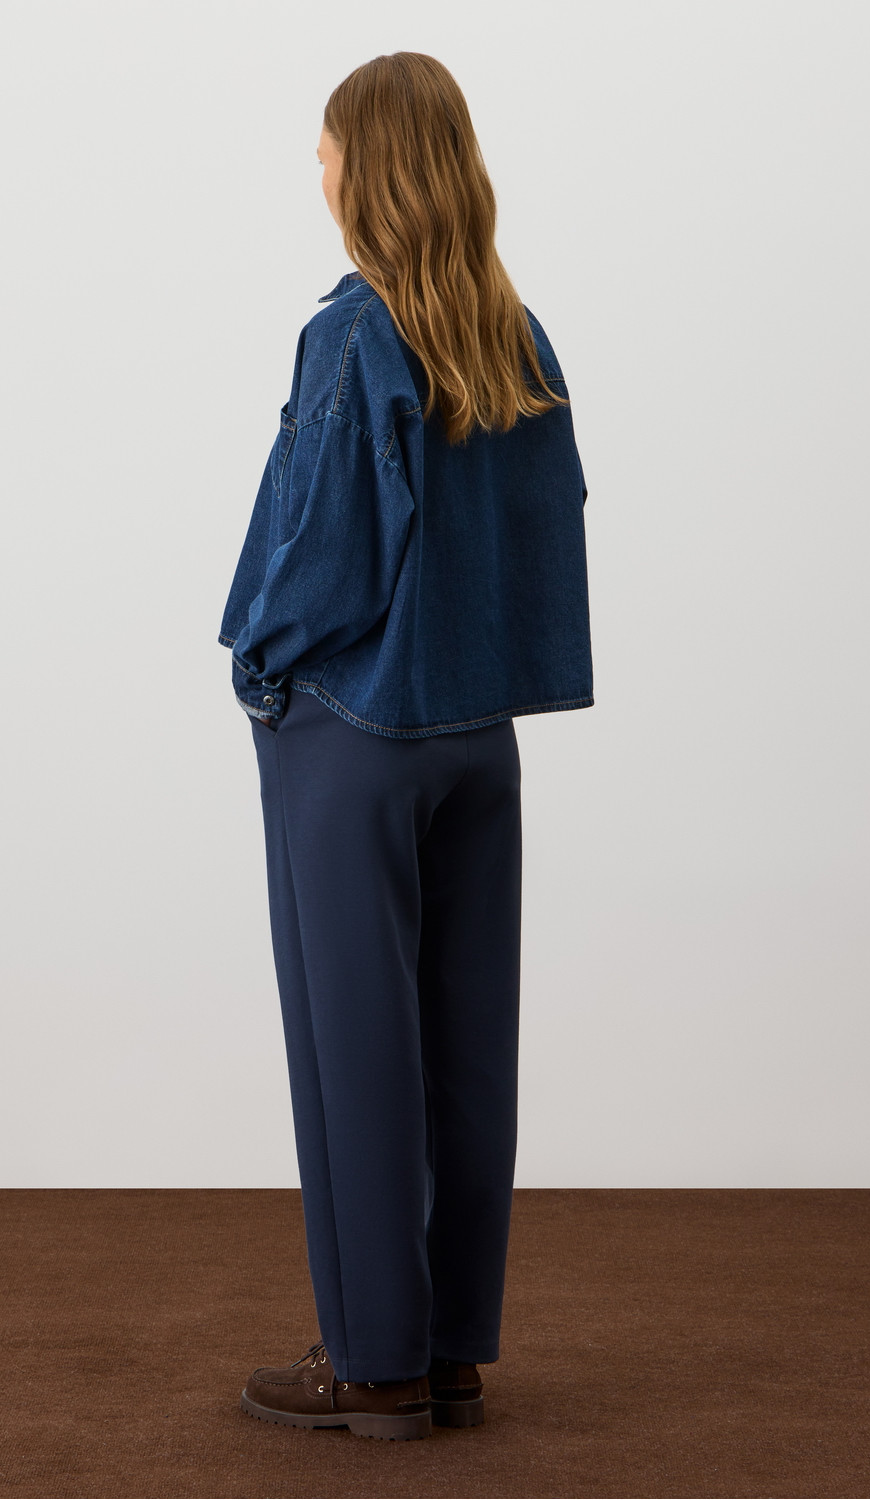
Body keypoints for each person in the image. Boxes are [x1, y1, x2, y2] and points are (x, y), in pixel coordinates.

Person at [217, 51, 593, 1442]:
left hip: (357, 734)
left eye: (326, 150)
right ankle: (446, 1351)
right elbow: (545, 538)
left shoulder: (352, 337)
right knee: (465, 1041)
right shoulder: (515, 333)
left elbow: (320, 550)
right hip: (478, 740)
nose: (314, 171)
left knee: (354, 1045)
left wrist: (256, 660)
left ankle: (371, 1364)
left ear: (365, 169)